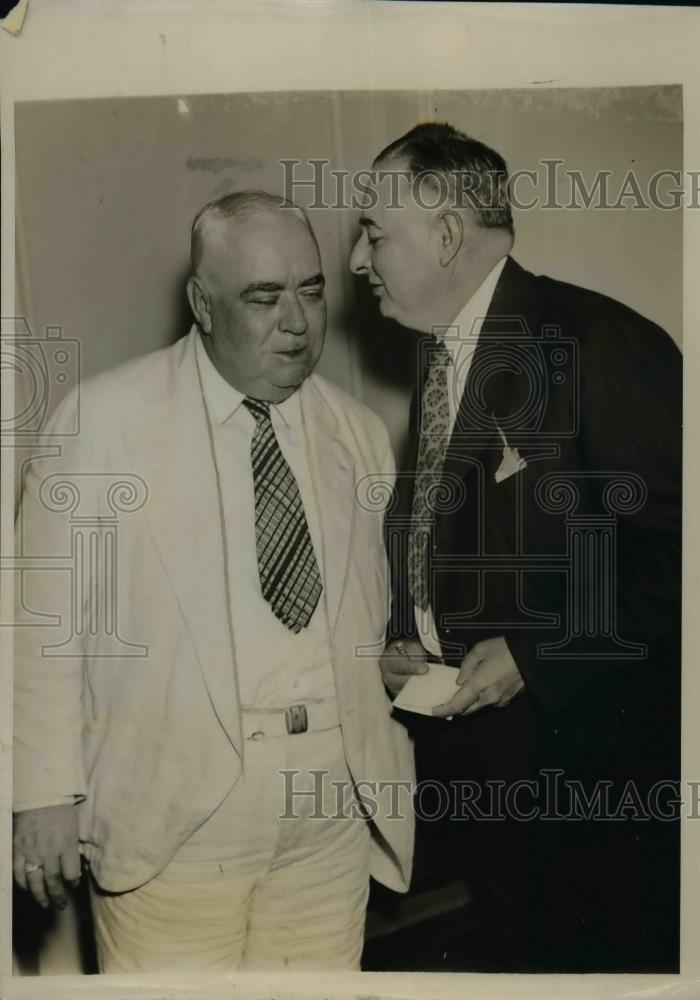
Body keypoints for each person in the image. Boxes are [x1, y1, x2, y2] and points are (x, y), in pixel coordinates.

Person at [13, 190, 414, 973]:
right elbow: (40, 627)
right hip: (176, 815)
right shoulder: (104, 422)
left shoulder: (357, 432)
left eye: (310, 291)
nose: (296, 322)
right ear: (202, 303)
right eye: (263, 298)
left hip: (330, 804)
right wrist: (41, 794)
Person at [350, 122, 681, 972]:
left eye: (374, 234)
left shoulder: (599, 343)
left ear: (446, 235)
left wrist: (535, 657)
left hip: (589, 786)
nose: (357, 260)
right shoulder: (442, 358)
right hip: (485, 774)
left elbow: (677, 558)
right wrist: (411, 631)